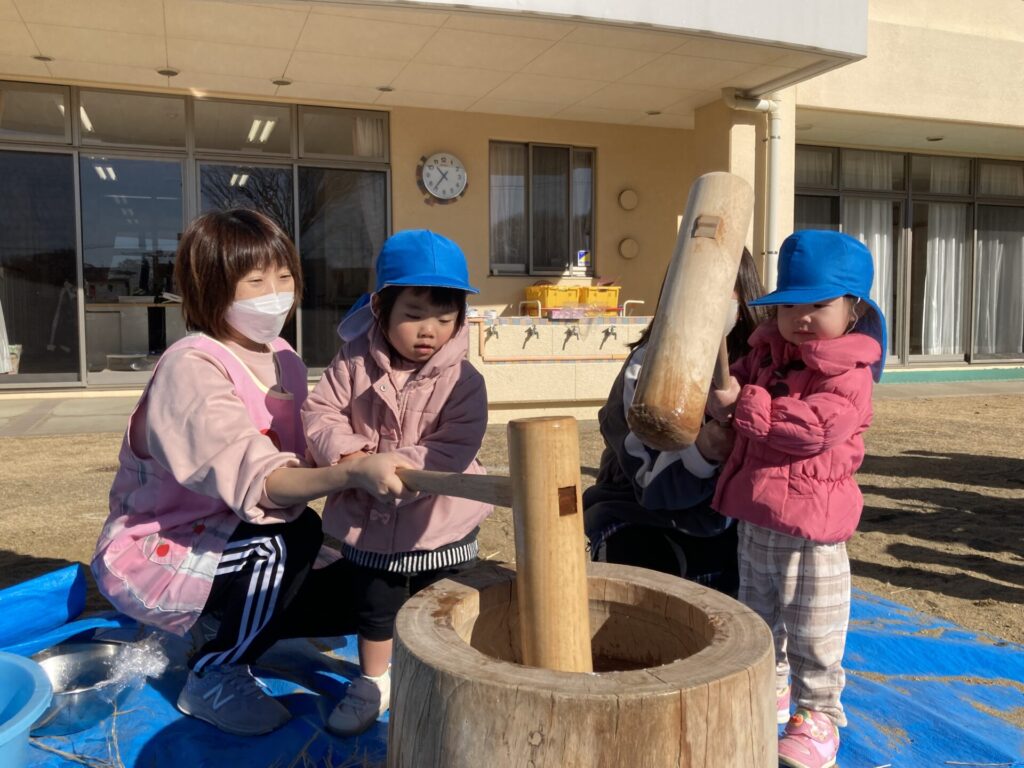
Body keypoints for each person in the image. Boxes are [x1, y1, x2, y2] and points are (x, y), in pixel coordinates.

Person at [92, 209, 408, 737]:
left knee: (360, 584)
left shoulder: (283, 357)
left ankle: (220, 623)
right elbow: (263, 481)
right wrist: (351, 475)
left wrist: (357, 451)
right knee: (288, 540)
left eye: (284, 276)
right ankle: (214, 673)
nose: (275, 294)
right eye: (255, 281)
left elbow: (310, 443)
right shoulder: (193, 366)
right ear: (211, 287)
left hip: (237, 532)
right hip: (167, 545)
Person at [707, 230, 886, 768]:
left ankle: (819, 715)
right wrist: (715, 388)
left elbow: (813, 428)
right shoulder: (767, 355)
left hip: (812, 526)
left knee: (813, 627)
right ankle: (772, 689)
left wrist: (742, 403)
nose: (801, 317)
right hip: (757, 512)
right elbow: (733, 384)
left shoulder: (850, 373)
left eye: (818, 305)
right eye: (789, 306)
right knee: (759, 616)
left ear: (854, 310)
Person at [301, 229, 491, 737]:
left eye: (445, 319)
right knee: (375, 610)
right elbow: (319, 413)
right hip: (367, 522)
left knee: (446, 613)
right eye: (413, 315)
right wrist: (352, 457)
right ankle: (373, 681)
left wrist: (394, 467)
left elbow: (454, 447)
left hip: (440, 526)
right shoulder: (351, 363)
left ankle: (446, 684)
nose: (429, 331)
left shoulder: (464, 381)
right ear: (381, 308)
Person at [583, 248, 765, 595]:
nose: (705, 298)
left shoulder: (764, 363)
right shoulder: (649, 366)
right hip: (642, 520)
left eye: (721, 287)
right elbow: (650, 486)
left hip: (730, 529)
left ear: (744, 296)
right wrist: (703, 450)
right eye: (693, 285)